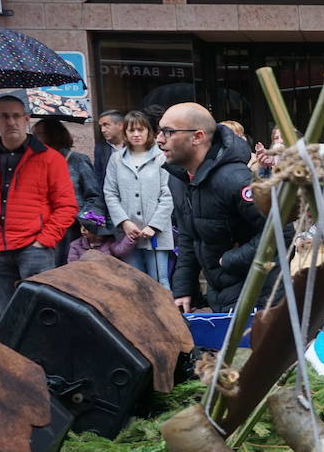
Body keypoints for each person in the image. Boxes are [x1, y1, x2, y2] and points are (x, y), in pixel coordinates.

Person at [0, 95, 78, 313]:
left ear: (27, 119)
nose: (11, 122)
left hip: (33, 247)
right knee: (9, 316)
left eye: (16, 116)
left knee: (40, 314)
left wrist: (45, 240)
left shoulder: (50, 158)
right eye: (4, 116)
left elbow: (67, 206)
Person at [161, 102, 270, 313]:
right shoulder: (178, 180)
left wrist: (230, 260)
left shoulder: (236, 179)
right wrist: (184, 288)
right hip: (219, 296)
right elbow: (188, 236)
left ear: (198, 137)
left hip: (258, 299)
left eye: (169, 132)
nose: (159, 139)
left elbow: (281, 231)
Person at [103, 109, 175, 288]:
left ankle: (165, 317)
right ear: (125, 132)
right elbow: (110, 192)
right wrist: (124, 222)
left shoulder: (161, 157)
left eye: (140, 130)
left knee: (160, 282)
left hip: (155, 233)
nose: (136, 134)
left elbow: (169, 194)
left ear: (148, 131)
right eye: (131, 130)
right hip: (129, 233)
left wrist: (154, 225)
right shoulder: (116, 159)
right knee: (135, 283)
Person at [34, 118, 105, 266]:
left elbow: (93, 195)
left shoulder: (77, 160)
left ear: (53, 135)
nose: (33, 139)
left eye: (38, 134)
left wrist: (84, 220)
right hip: (44, 226)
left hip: (72, 229)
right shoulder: (36, 162)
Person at [67, 210, 136, 263]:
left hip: (106, 275)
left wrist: (130, 237)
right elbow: (72, 262)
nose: (82, 231)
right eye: (81, 227)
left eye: (87, 228)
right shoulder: (76, 245)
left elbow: (120, 250)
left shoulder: (108, 242)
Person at [93, 109, 126, 186]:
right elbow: (98, 176)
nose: (103, 130)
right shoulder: (101, 148)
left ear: (120, 125)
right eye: (101, 126)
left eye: (106, 125)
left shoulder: (133, 145)